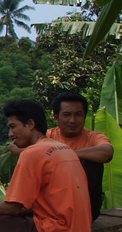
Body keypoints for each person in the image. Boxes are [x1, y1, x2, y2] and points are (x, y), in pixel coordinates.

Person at [0, 99, 93, 232]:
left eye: (13, 127)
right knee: (24, 216)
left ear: (30, 124)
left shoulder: (32, 152)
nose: (10, 134)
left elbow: (12, 207)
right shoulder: (64, 148)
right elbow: (34, 206)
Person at [47, 90, 113, 220]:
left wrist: (65, 155)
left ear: (84, 116)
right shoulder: (48, 136)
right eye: (67, 115)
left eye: (78, 114)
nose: (73, 120)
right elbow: (18, 148)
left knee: (91, 162)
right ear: (56, 117)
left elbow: (107, 152)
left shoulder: (94, 137)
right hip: (52, 204)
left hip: (84, 208)